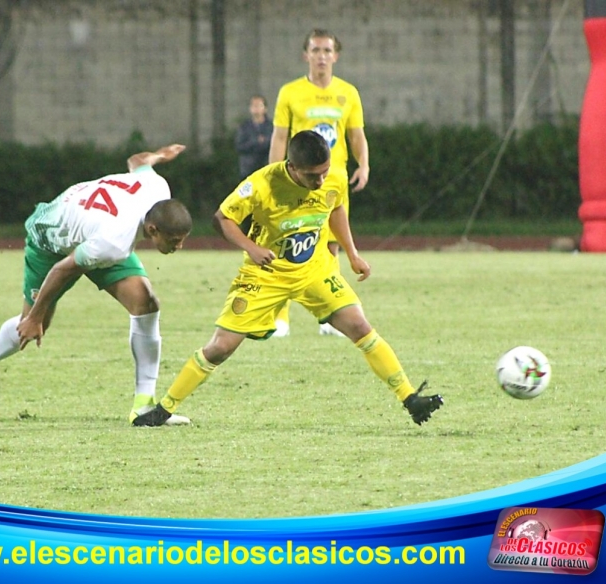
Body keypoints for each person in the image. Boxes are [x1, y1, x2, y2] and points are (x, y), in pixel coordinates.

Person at [131, 131, 443, 428]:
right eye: (312, 176)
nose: (320, 180)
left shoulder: (330, 177)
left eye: (324, 172)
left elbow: (336, 207)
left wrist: (352, 253)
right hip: (266, 274)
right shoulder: (262, 183)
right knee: (221, 347)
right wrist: (252, 248)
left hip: (314, 270)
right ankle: (164, 409)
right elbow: (222, 219)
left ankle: (410, 398)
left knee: (361, 327)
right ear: (292, 167)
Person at [0, 145, 194, 426]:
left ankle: (144, 406)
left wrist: (160, 155)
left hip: (93, 232)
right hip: (50, 240)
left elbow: (137, 160)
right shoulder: (114, 242)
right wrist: (37, 315)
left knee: (145, 303)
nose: (180, 247)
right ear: (153, 230)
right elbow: (63, 269)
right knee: (33, 323)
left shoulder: (157, 187)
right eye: (174, 241)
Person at [268, 28, 370, 338]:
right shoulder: (290, 92)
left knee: (330, 247)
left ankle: (328, 316)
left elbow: (356, 135)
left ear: (335, 56)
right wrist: (273, 174)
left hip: (334, 182)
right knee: (285, 243)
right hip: (296, 180)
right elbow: (280, 136)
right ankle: (279, 318)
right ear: (306, 55)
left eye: (327, 51)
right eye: (315, 50)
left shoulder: (348, 92)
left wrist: (363, 164)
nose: (321, 56)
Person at [234, 94, 274, 180]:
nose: (256, 108)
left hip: (265, 167)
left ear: (265, 108)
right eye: (253, 105)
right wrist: (256, 141)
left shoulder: (271, 126)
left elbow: (273, 144)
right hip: (248, 170)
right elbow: (239, 146)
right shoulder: (244, 127)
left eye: (259, 105)